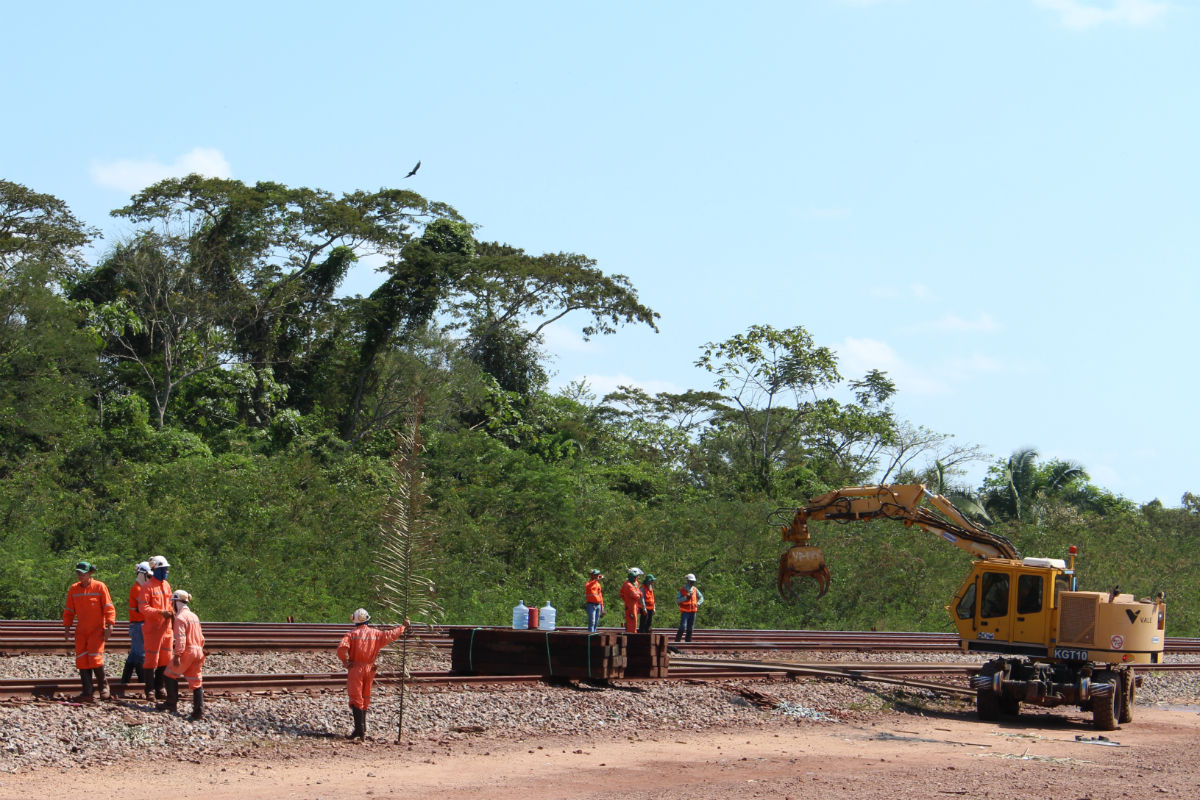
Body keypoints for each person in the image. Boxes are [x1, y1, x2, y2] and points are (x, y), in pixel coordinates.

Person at [336, 608, 408, 740]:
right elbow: (391, 634)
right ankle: (363, 729)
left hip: (356, 668)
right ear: (368, 620)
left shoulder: (351, 634)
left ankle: (359, 730)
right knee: (365, 696)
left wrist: (345, 662)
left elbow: (341, 649)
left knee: (356, 696)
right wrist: (403, 626)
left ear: (355, 621)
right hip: (370, 669)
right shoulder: (376, 634)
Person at [62, 561, 117, 702]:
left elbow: (108, 607)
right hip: (81, 631)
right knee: (82, 661)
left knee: (95, 659)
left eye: (83, 573)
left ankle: (103, 687)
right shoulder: (74, 589)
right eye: (78, 573)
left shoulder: (99, 587)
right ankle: (87, 691)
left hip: (96, 630)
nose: (80, 575)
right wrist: (67, 628)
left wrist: (110, 625)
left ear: (90, 573)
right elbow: (69, 611)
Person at [158, 590, 207, 720]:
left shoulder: (180, 618)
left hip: (188, 650)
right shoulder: (194, 616)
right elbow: (202, 637)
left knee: (169, 674)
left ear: (175, 602)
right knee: (196, 682)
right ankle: (198, 712)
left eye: (172, 602)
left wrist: (178, 655)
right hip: (198, 651)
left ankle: (171, 703)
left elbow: (181, 638)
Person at [137, 555, 173, 701]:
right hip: (153, 630)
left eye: (167, 569)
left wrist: (172, 614)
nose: (166, 572)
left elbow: (170, 604)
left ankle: (160, 687)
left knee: (165, 659)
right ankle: (150, 690)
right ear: (156, 569)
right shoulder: (147, 587)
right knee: (151, 660)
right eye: (164, 569)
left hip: (166, 629)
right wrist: (159, 613)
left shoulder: (167, 585)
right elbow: (143, 608)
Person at [121, 561, 152, 690]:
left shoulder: (137, 588)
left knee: (134, 654)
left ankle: (124, 681)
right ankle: (143, 682)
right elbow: (143, 608)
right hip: (139, 625)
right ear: (142, 574)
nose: (150, 579)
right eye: (149, 576)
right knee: (141, 655)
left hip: (137, 624)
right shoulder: (138, 589)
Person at [674, 573, 705, 643]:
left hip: (693, 611)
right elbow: (677, 600)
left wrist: (698, 603)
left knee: (690, 628)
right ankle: (677, 641)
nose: (692, 583)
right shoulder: (682, 590)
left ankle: (688, 642)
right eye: (691, 582)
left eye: (693, 582)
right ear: (688, 581)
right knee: (682, 627)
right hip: (685, 611)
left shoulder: (695, 589)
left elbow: (701, 597)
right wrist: (685, 598)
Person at [620, 568, 646, 634]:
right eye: (636, 576)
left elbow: (638, 593)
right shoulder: (628, 585)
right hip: (630, 605)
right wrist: (638, 594)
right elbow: (636, 595)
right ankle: (631, 635)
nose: (637, 578)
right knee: (632, 621)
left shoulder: (635, 583)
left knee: (634, 620)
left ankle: (633, 633)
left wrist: (638, 594)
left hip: (634, 604)